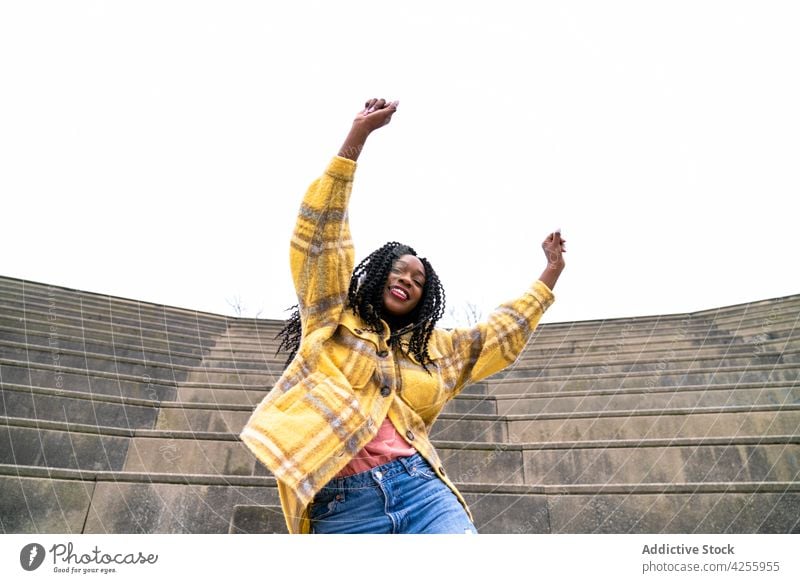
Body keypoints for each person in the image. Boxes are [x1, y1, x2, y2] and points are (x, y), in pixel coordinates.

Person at [239, 97, 566, 534]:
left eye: (418, 279)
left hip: (421, 491)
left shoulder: (436, 350)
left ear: (424, 298)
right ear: (376, 277)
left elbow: (498, 335)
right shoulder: (333, 318)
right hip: (341, 505)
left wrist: (550, 274)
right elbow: (321, 238)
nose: (408, 280)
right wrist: (356, 139)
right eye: (397, 270)